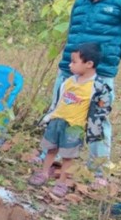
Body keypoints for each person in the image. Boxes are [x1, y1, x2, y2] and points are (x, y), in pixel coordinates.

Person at [53, 0, 121, 175]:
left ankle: (97, 171)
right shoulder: (80, 1)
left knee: (97, 121)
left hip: (100, 75)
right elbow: (72, 33)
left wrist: (102, 60)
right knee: (61, 113)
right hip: (69, 70)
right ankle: (55, 159)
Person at [30, 43, 112, 198]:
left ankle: (62, 182)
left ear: (89, 64)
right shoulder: (68, 82)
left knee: (69, 156)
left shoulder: (97, 87)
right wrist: (49, 117)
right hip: (57, 121)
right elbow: (58, 101)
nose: (70, 65)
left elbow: (103, 107)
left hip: (75, 127)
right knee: (51, 149)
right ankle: (44, 173)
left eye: (74, 62)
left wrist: (93, 126)